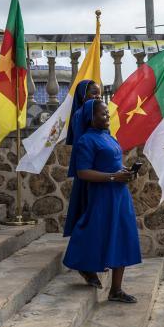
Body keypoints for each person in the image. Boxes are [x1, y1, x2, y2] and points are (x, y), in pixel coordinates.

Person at [63, 99, 142, 303]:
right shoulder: (86, 141)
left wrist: (124, 171)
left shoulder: (109, 137)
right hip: (102, 195)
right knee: (92, 231)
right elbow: (83, 172)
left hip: (120, 194)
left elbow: (113, 163)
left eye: (108, 113)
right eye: (103, 114)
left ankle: (116, 289)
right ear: (91, 117)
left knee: (122, 236)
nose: (107, 117)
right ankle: (82, 264)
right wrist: (113, 177)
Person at [63, 80, 102, 286]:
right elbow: (86, 147)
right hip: (88, 174)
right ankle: (83, 263)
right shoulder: (81, 117)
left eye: (99, 94)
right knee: (86, 218)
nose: (97, 97)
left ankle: (91, 261)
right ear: (82, 96)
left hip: (95, 174)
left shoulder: (91, 115)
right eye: (93, 94)